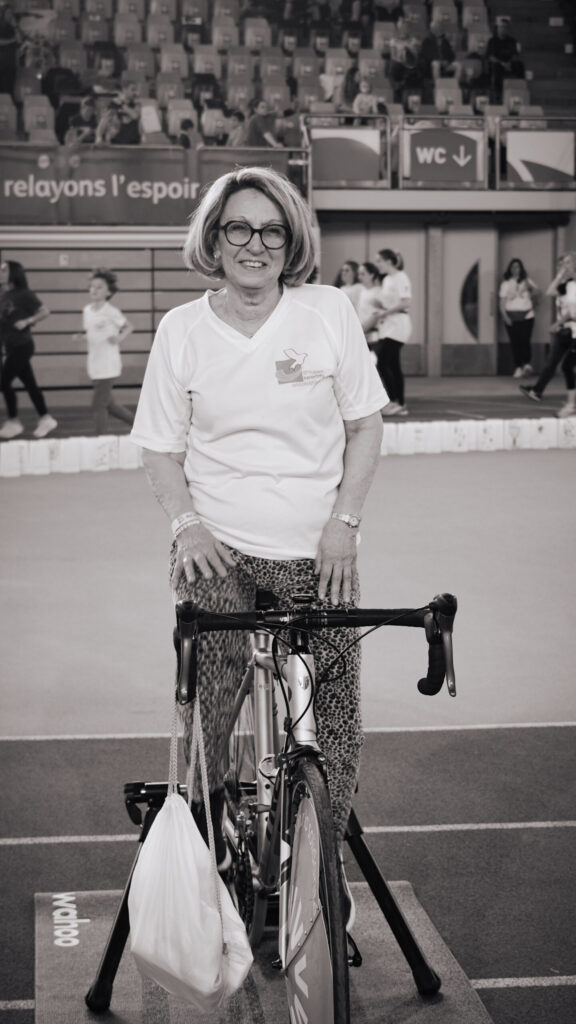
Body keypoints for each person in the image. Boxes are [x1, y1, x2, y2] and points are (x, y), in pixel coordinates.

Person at [129, 167, 387, 918]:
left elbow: (366, 424)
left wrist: (345, 525)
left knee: (335, 719)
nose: (255, 244)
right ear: (214, 238)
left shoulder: (328, 311)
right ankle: (205, 838)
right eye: (238, 228)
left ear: (291, 241)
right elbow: (158, 448)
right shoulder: (183, 329)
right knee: (207, 713)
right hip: (220, 548)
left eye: (271, 230)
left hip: (318, 549)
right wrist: (187, 527)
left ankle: (317, 874)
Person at [0, 260, 57, 439]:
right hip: (10, 347)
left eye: (3, 270)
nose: (0, 272)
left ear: (13, 273)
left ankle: (13, 421)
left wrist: (27, 321)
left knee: (3, 381)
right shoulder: (4, 296)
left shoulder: (24, 294)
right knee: (30, 385)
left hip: (23, 345)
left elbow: (45, 311)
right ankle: (46, 418)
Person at [76, 269, 134, 435]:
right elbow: (91, 332)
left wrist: (119, 338)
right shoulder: (87, 310)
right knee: (110, 405)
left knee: (98, 405)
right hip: (94, 363)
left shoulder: (111, 311)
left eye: (99, 287)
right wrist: (82, 336)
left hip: (108, 364)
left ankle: (100, 440)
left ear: (108, 292)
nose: (94, 290)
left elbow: (129, 327)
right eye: (92, 287)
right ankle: (139, 426)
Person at [520, 253, 576, 417]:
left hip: (571, 329)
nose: (565, 266)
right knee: (563, 365)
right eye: (563, 264)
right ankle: (569, 404)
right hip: (569, 330)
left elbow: (572, 312)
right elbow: (551, 292)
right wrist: (560, 274)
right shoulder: (569, 285)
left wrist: (558, 323)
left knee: (566, 365)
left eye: (568, 263)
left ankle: (570, 405)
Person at [369, 248, 412, 416]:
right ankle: (398, 403)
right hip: (388, 326)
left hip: (398, 326)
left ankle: (394, 400)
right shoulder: (387, 280)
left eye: (379, 261)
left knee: (382, 360)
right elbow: (389, 302)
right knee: (392, 364)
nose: (377, 265)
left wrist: (385, 312)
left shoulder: (401, 277)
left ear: (388, 261)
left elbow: (406, 302)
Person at [499, 258, 538, 378]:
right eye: (513, 267)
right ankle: (518, 366)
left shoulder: (526, 281)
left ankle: (526, 363)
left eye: (518, 267)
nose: (516, 269)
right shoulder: (505, 283)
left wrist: (529, 290)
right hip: (511, 315)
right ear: (510, 269)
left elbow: (538, 292)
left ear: (521, 269)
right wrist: (505, 317)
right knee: (515, 342)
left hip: (527, 315)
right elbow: (501, 303)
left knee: (525, 339)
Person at [485, 16, 524, 104]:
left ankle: (520, 89)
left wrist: (509, 63)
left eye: (505, 27)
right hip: (497, 64)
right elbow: (490, 56)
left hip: (509, 63)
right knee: (496, 68)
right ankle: (498, 94)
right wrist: (502, 63)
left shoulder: (512, 41)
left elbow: (515, 54)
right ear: (497, 28)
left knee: (520, 65)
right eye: (501, 27)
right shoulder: (492, 41)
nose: (503, 29)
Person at [357, 261, 384, 346]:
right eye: (359, 274)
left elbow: (376, 315)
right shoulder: (362, 291)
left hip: (373, 335)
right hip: (363, 334)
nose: (360, 277)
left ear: (372, 275)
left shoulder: (378, 292)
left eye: (363, 274)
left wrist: (362, 329)